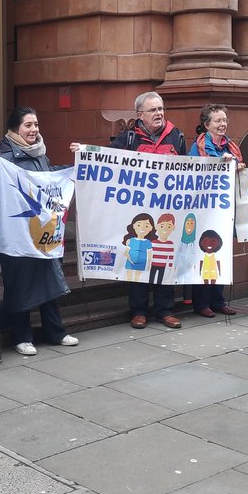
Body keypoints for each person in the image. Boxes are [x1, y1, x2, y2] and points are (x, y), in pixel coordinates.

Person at [0, 106, 79, 356]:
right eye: (28, 125)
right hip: (18, 232)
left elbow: (48, 177)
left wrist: (75, 165)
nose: (34, 130)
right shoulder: (4, 156)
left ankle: (55, 331)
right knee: (20, 282)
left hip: (41, 230)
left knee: (47, 277)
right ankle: (21, 336)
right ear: (14, 129)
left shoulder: (39, 152)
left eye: (36, 125)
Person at [109, 91, 185, 329]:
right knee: (139, 261)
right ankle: (139, 310)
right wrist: (83, 152)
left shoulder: (177, 136)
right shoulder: (128, 138)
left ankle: (165, 310)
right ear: (140, 114)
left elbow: (189, 169)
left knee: (163, 261)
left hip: (166, 212)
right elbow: (107, 163)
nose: (159, 114)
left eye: (161, 109)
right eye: (153, 110)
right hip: (138, 212)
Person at [188, 102, 243, 318]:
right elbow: (195, 171)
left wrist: (237, 166)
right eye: (218, 121)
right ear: (206, 124)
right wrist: (219, 163)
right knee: (204, 255)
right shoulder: (198, 147)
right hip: (205, 210)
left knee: (221, 255)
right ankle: (201, 303)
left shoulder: (231, 146)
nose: (223, 124)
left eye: (225, 120)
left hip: (224, 210)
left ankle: (218, 300)